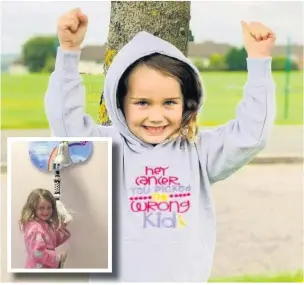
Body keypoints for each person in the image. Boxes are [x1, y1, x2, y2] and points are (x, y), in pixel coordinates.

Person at [44, 8, 276, 282]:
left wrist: (259, 62)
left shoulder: (197, 151)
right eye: (142, 103)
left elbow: (251, 134)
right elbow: (64, 121)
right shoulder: (105, 148)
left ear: (186, 103)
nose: (156, 116)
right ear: (120, 104)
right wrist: (69, 53)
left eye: (169, 103)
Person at [19, 188, 70, 268]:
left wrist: (62, 228)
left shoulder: (44, 224)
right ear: (33, 208)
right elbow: (38, 253)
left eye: (49, 208)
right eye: (41, 208)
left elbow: (52, 242)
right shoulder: (35, 229)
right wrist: (58, 257)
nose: (46, 212)